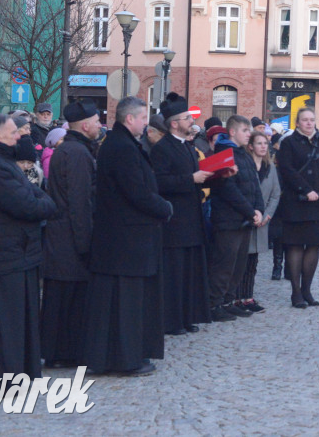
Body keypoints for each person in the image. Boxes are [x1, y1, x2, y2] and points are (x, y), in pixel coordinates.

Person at [0, 113, 58, 381]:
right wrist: (43, 200)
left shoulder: (2, 161)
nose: (19, 136)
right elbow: (29, 204)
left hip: (15, 254)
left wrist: (39, 196)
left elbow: (34, 195)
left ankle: (17, 376)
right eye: (13, 132)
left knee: (16, 322)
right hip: (3, 257)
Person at [83, 97, 173, 376]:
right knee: (124, 304)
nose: (147, 123)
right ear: (130, 119)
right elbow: (136, 191)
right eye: (144, 117)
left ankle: (119, 356)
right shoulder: (122, 147)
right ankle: (125, 358)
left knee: (121, 302)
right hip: (125, 241)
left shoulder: (122, 144)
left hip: (124, 239)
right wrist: (165, 207)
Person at [41, 100, 100, 368]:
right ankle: (62, 352)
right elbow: (80, 202)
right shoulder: (77, 153)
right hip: (69, 239)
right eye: (97, 121)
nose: (100, 126)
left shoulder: (71, 149)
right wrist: (85, 243)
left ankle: (58, 351)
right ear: (85, 125)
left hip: (62, 235)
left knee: (62, 296)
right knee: (67, 298)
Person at [150, 92, 216, 333]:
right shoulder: (162, 149)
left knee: (189, 273)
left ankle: (188, 316)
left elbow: (197, 178)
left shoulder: (187, 147)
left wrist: (216, 177)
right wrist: (191, 178)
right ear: (174, 123)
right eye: (187, 117)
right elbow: (160, 183)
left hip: (192, 220)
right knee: (174, 274)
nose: (192, 121)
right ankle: (172, 320)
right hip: (175, 222)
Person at [275, 107, 319, 309]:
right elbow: (286, 170)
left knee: (313, 246)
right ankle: (295, 293)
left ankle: (307, 290)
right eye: (305, 120)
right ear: (297, 122)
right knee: (295, 246)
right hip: (296, 202)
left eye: (312, 120)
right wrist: (305, 189)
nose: (309, 123)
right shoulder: (289, 143)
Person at [207, 114, 264, 319]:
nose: (249, 134)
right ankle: (214, 304)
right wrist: (250, 211)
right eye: (245, 131)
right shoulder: (222, 154)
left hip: (245, 220)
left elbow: (254, 184)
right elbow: (227, 189)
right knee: (224, 264)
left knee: (238, 265)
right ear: (232, 132)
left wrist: (259, 210)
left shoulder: (244, 154)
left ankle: (229, 300)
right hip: (228, 220)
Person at [233, 131, 278, 312]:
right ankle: (235, 297)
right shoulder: (244, 164)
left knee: (253, 262)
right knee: (240, 261)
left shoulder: (270, 167)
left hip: (262, 221)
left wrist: (266, 215)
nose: (263, 146)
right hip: (244, 218)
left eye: (265, 143)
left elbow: (275, 194)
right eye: (259, 143)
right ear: (250, 146)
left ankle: (248, 297)